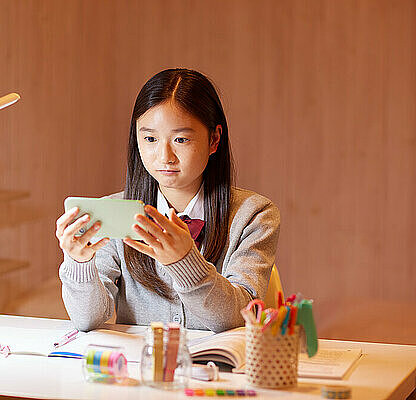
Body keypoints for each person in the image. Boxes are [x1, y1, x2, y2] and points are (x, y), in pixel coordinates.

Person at [56, 68, 280, 332]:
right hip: (141, 369)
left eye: (181, 139)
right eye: (150, 138)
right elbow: (88, 320)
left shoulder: (254, 215)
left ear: (214, 139)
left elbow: (239, 318)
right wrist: (79, 263)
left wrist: (185, 260)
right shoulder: (115, 213)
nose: (165, 156)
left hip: (221, 371)